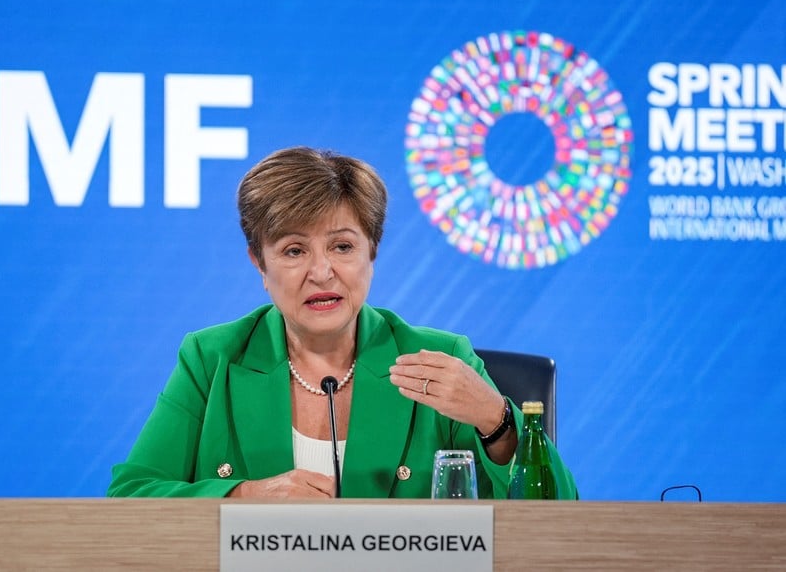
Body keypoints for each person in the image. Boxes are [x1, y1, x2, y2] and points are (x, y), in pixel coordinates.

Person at [107, 146, 577, 499]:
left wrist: (497, 422)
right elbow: (131, 497)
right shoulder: (212, 359)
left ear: (372, 251)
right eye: (294, 250)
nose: (321, 271)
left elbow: (557, 520)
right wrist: (243, 497)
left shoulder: (442, 358)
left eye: (343, 246)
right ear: (259, 263)